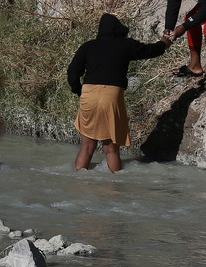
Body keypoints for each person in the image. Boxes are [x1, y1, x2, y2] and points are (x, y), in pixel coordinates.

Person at [67, 13, 168, 172]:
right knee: (111, 149)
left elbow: (72, 71)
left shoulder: (88, 46)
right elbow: (150, 50)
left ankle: (79, 184)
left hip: (88, 94)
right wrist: (164, 43)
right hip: (111, 96)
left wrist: (78, 90)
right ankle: (115, 189)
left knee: (86, 147)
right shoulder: (124, 45)